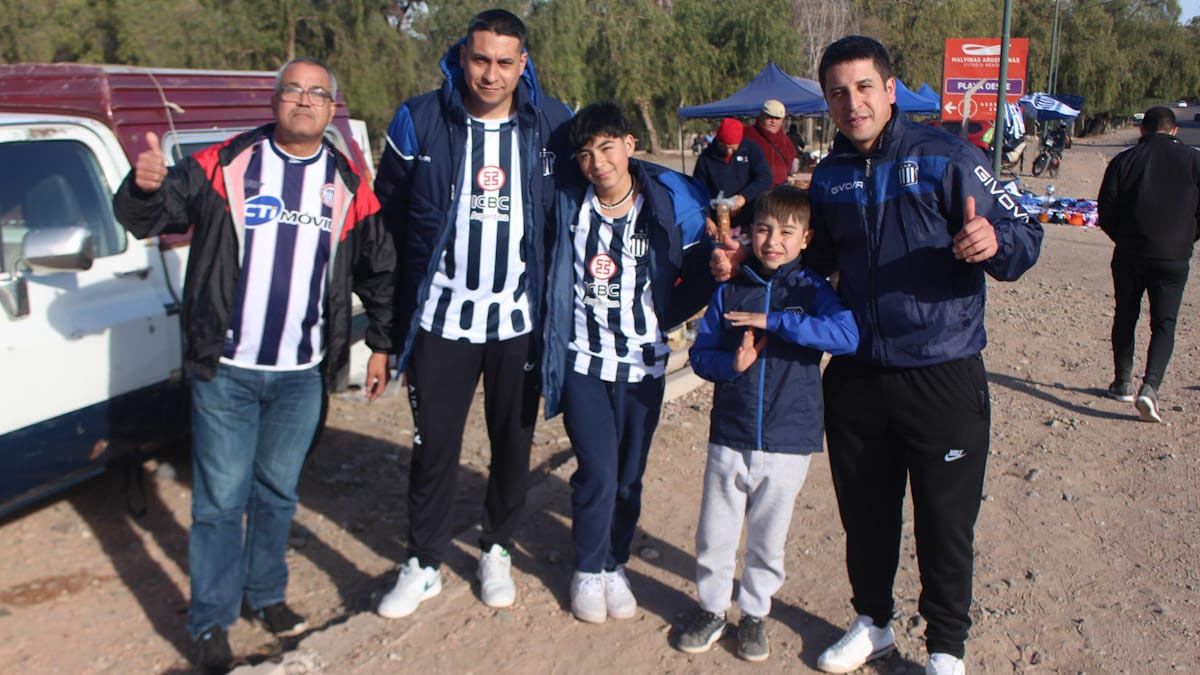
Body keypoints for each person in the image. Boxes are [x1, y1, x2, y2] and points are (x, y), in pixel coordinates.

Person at [712, 36, 1042, 674]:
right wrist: (743, 261)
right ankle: (873, 622)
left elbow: (1024, 235)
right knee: (865, 515)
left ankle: (946, 649)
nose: (853, 102)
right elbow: (812, 264)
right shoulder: (830, 176)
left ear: (891, 89)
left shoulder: (949, 157)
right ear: (827, 102)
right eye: (838, 92)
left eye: (864, 87)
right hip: (859, 374)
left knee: (945, 523)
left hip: (942, 371)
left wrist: (992, 240)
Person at [113, 58, 395, 670]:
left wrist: (381, 343)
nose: (304, 100)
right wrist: (141, 188)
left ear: (330, 108)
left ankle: (266, 594)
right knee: (219, 502)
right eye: (293, 89)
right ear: (275, 100)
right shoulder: (221, 165)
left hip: (302, 374)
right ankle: (210, 620)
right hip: (228, 371)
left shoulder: (348, 183)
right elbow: (148, 219)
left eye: (318, 93)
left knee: (277, 494)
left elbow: (380, 266)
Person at [373, 8, 572, 618]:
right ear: (462, 55)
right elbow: (385, 228)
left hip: (518, 322)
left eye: (504, 62)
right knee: (434, 448)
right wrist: (383, 332)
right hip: (443, 320)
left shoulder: (553, 123)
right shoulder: (419, 119)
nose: (490, 74)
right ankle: (424, 561)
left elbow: (588, 204)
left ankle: (497, 548)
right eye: (480, 59)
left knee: (512, 446)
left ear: (524, 64)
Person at [541, 101, 713, 624]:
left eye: (608, 148)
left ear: (630, 146)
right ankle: (587, 569)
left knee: (628, 477)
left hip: (643, 367)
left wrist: (670, 315)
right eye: (587, 154)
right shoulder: (569, 207)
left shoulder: (662, 206)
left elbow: (697, 275)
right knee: (597, 469)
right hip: (584, 362)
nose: (599, 163)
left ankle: (615, 561)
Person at [677, 186, 858, 662]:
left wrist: (776, 321)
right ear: (748, 232)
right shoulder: (730, 288)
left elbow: (846, 334)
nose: (773, 240)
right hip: (730, 433)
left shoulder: (813, 290)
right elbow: (700, 354)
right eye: (762, 229)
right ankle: (712, 609)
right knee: (715, 534)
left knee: (767, 539)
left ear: (806, 238)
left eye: (786, 232)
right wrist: (731, 367)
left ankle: (754, 614)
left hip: (788, 438)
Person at [1098, 105, 1200, 422]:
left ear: (1143, 130)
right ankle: (1150, 387)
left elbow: (1106, 211)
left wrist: (1124, 237)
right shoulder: (1195, 161)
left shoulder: (1124, 161)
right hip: (1174, 256)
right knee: (1164, 324)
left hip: (1130, 253)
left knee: (1126, 315)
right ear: (1174, 130)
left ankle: (1123, 382)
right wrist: (1186, 238)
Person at [692, 117, 772, 232]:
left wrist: (743, 197)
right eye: (724, 146)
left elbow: (765, 178)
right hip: (719, 219)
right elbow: (697, 191)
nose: (728, 151)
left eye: (733, 148)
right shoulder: (706, 158)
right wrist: (706, 217)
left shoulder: (751, 149)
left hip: (749, 217)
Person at [742, 99, 797, 186]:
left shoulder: (786, 141)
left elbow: (791, 164)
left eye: (777, 118)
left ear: (782, 120)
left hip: (778, 192)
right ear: (761, 116)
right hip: (752, 191)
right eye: (770, 117)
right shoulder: (746, 134)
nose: (773, 121)